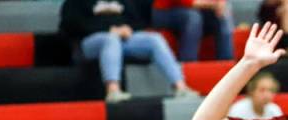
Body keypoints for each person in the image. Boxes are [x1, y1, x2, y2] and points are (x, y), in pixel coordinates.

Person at [59, 0, 198, 103]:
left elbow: (138, 20)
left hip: (123, 38)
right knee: (110, 39)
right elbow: (71, 24)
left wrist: (128, 28)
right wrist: (108, 29)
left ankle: (180, 87)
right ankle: (113, 90)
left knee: (154, 39)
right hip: (90, 41)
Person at [151, 0, 235, 62]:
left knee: (224, 13)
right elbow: (188, 2)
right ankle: (188, 63)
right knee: (193, 17)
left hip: (197, 9)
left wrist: (221, 3)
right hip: (164, 12)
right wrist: (214, 4)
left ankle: (227, 63)